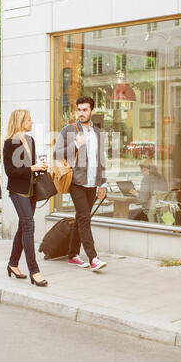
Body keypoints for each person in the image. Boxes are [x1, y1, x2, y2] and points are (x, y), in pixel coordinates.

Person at [53, 96, 107, 272]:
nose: (82, 113)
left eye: (85, 110)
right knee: (84, 218)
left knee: (81, 218)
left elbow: (101, 160)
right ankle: (93, 258)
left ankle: (72, 255)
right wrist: (76, 144)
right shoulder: (68, 130)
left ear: (92, 111)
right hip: (76, 182)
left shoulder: (98, 133)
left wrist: (102, 184)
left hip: (92, 183)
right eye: (79, 110)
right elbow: (56, 154)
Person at [3, 109, 48, 287]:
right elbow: (10, 172)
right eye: (28, 120)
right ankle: (34, 271)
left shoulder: (30, 140)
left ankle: (13, 264)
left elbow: (31, 165)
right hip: (18, 191)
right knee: (29, 225)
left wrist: (40, 167)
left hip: (31, 191)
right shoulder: (9, 143)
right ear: (20, 121)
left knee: (23, 227)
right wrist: (32, 168)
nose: (31, 122)